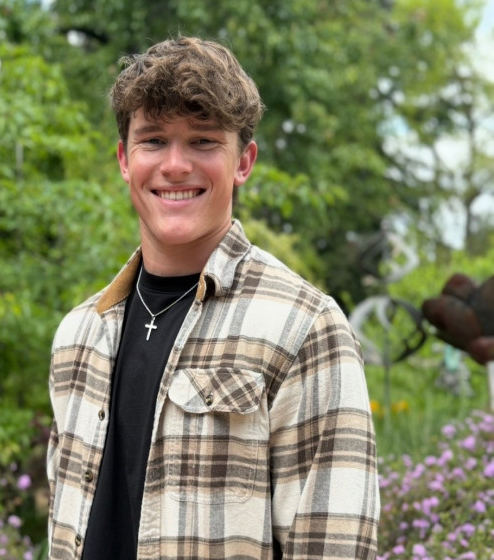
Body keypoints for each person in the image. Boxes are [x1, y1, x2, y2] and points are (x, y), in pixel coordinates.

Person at [47, 36, 380, 559]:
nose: (176, 165)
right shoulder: (78, 335)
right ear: (124, 159)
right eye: (153, 140)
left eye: (203, 141)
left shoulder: (305, 329)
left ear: (243, 161)